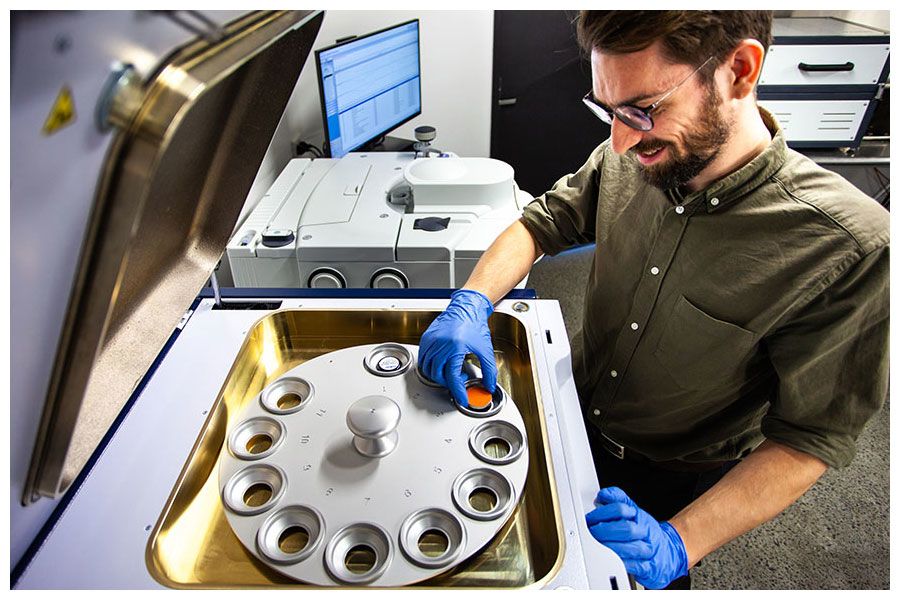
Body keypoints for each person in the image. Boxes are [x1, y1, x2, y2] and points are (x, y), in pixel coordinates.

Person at [417, 10, 889, 589]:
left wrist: (679, 540)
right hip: (570, 411)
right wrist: (470, 302)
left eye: (643, 109)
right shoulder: (629, 150)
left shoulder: (849, 246)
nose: (619, 140)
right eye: (608, 111)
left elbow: (810, 437)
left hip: (677, 477)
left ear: (739, 70)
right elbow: (540, 224)